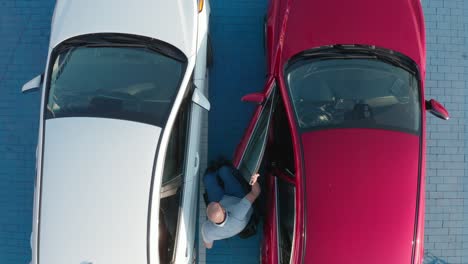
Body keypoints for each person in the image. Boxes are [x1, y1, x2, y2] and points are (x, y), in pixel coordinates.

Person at [201, 165, 261, 248]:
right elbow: (255, 193)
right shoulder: (239, 211)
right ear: (223, 210)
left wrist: (209, 235)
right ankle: (221, 170)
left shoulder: (207, 230)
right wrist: (254, 181)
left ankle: (214, 174)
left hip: (224, 200)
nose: (216, 202)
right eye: (218, 204)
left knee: (208, 178)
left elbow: (208, 246)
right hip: (237, 199)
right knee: (224, 170)